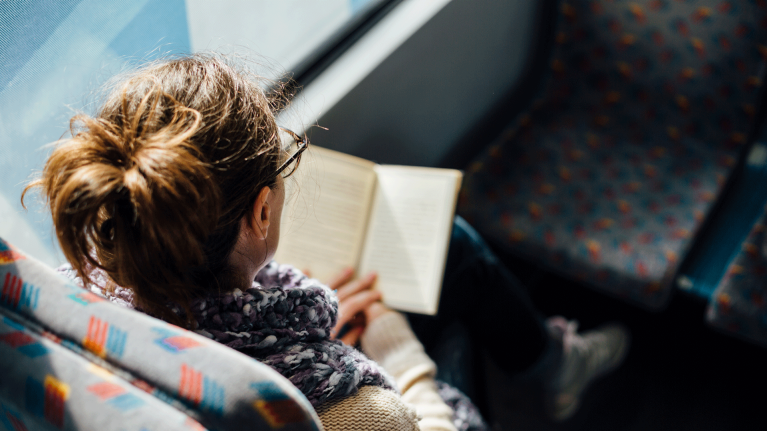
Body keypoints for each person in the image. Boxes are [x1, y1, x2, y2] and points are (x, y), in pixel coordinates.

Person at [24, 54, 628, 430]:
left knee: (452, 250)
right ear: (260, 214)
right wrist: (399, 355)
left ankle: (551, 364)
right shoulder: (356, 411)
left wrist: (306, 340)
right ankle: (553, 369)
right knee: (453, 300)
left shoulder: (72, 305)